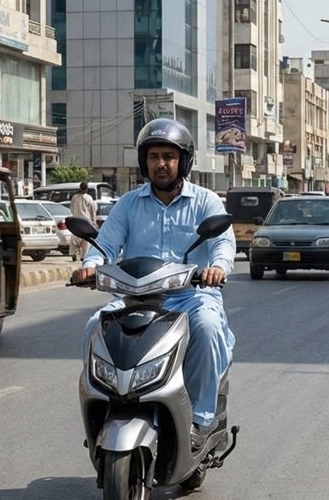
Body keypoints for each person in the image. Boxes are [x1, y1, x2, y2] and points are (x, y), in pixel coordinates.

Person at [71, 118, 234, 450]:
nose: (161, 164)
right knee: (93, 327)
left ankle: (202, 420)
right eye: (154, 156)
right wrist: (90, 267)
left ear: (183, 161)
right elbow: (105, 244)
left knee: (207, 325)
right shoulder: (129, 204)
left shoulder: (205, 202)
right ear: (144, 161)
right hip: (135, 298)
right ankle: (103, 412)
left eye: (169, 157)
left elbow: (223, 245)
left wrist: (217, 268)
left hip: (191, 296)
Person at [68, 180, 98, 261]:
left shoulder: (74, 197)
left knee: (75, 238)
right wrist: (94, 222)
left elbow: (71, 209)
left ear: (80, 188)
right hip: (86, 221)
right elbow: (92, 211)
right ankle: (83, 256)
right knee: (86, 239)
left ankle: (73, 253)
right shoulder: (89, 198)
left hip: (76, 220)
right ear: (87, 189)